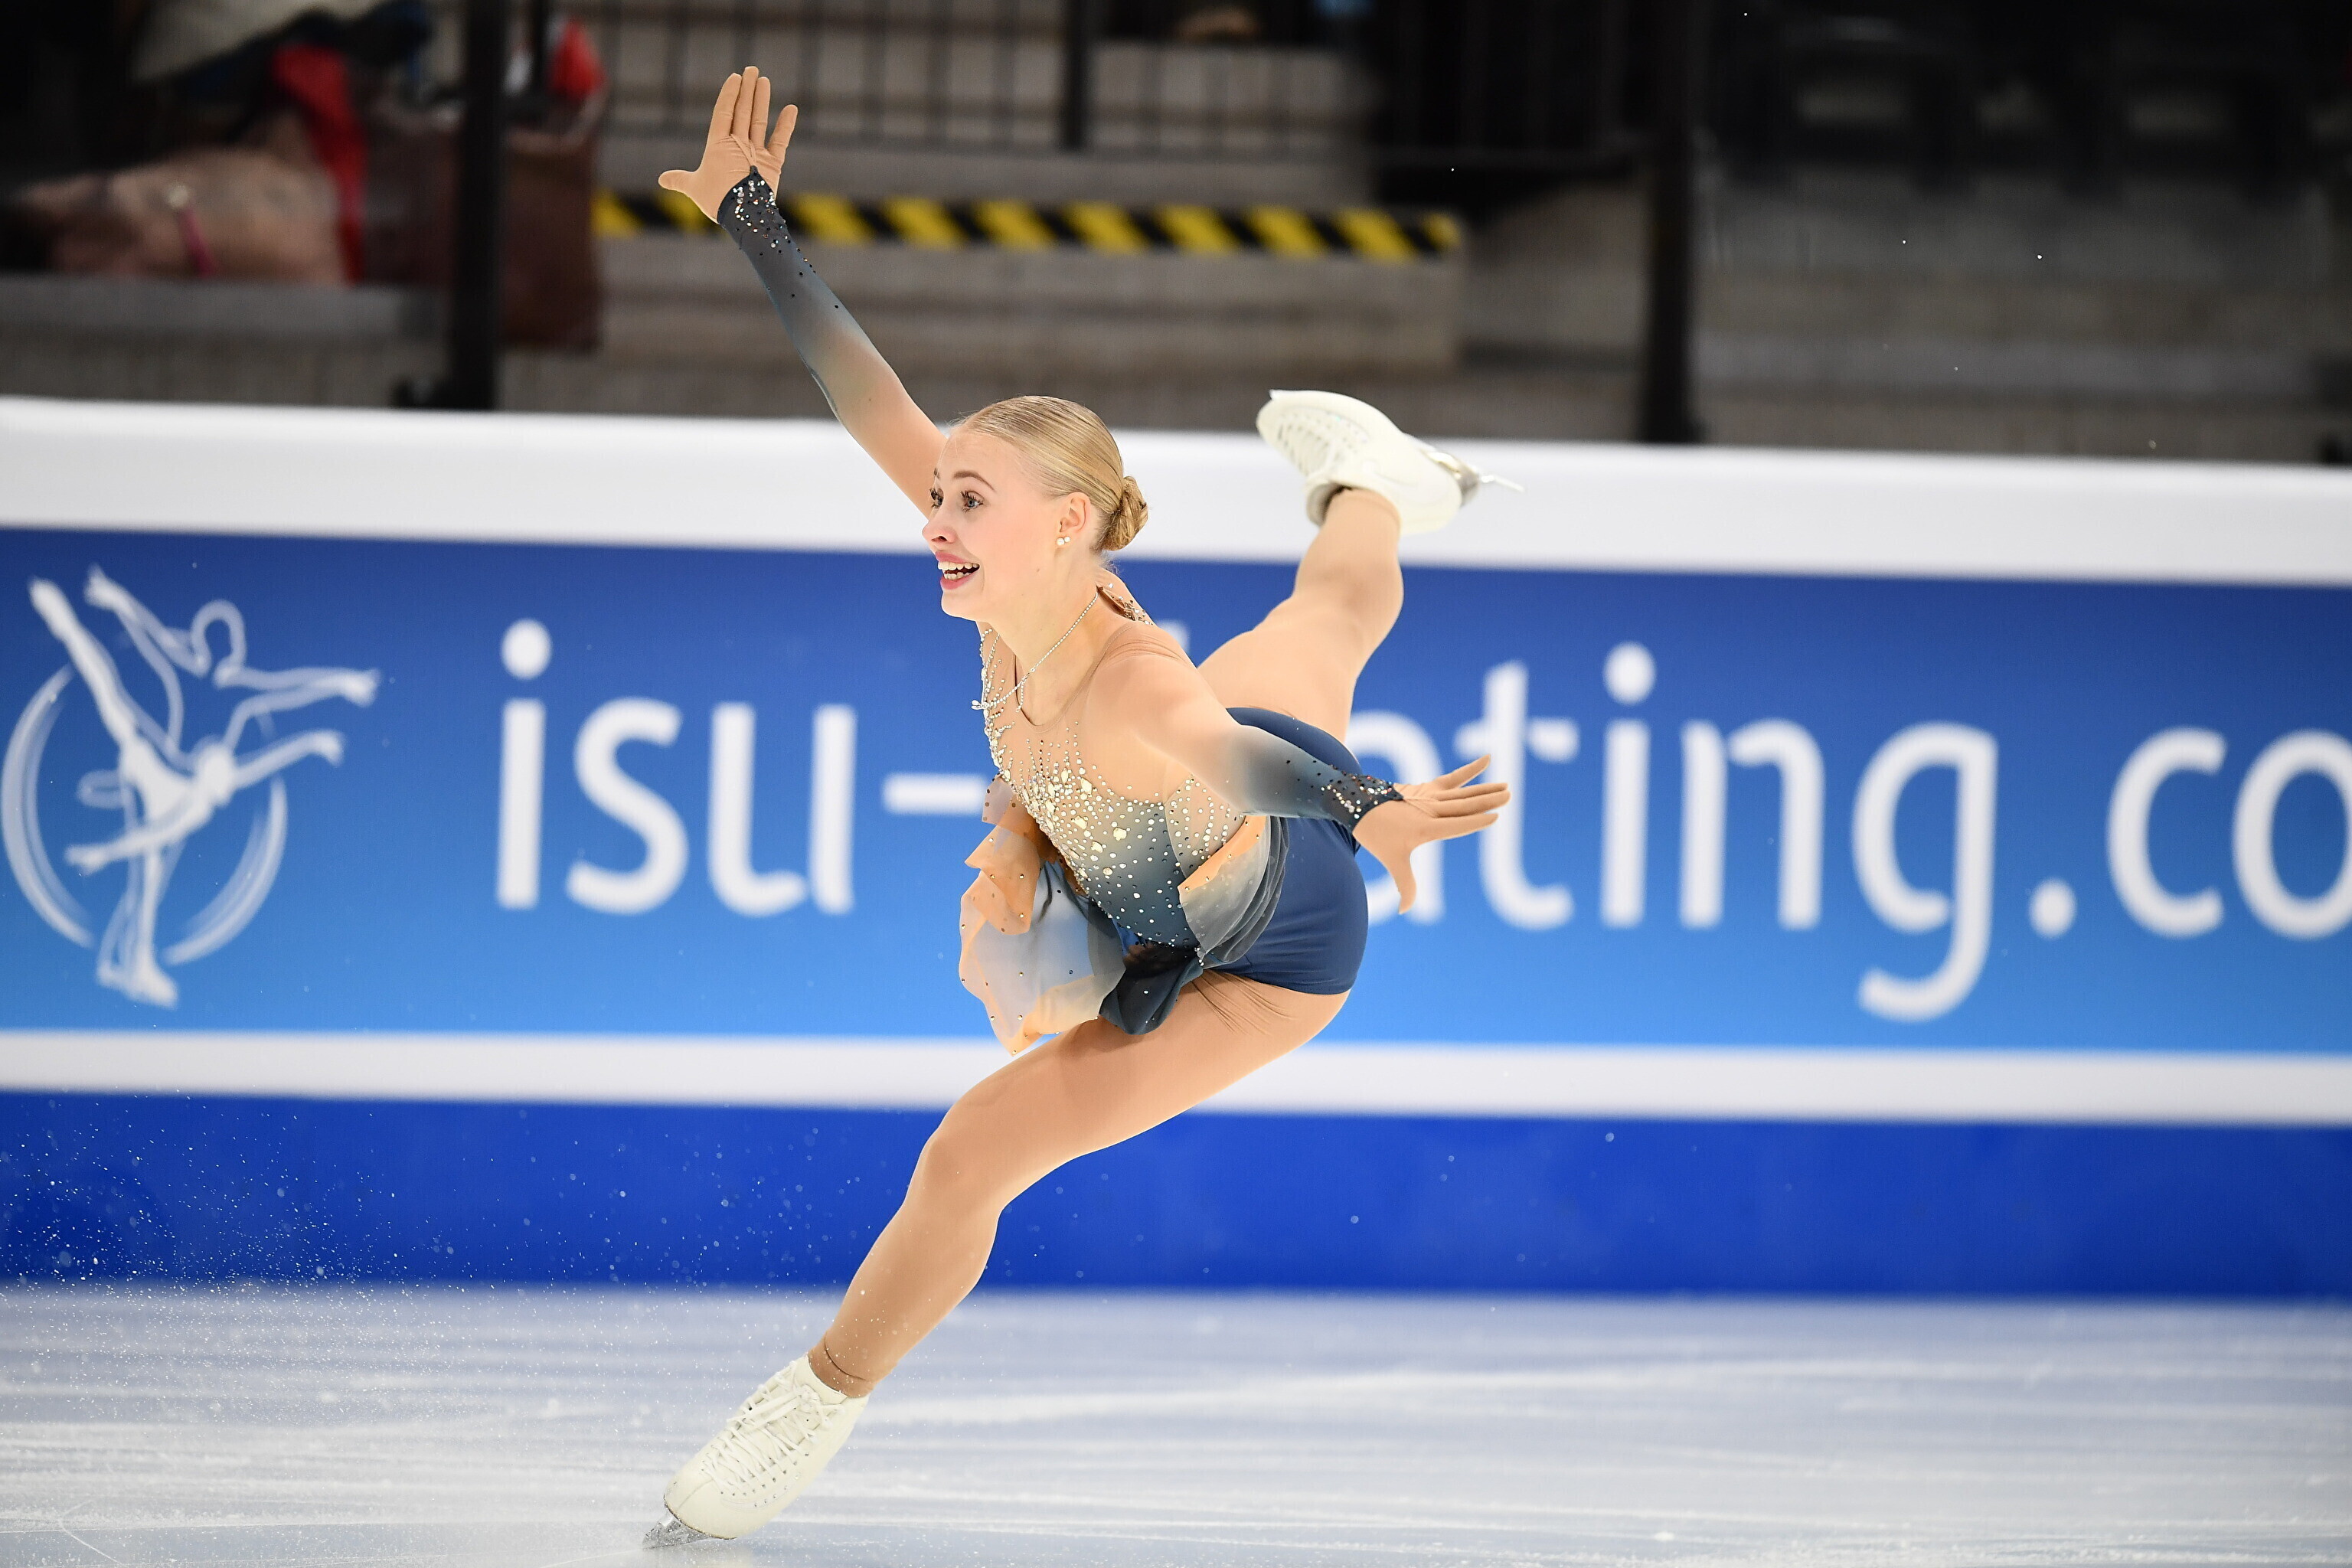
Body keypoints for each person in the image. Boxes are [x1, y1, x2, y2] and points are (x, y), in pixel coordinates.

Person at [643, 67, 1511, 1547]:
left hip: (1270, 951)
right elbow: (868, 396)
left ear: (1064, 528)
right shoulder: (1012, 578)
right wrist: (753, 224)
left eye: (966, 502)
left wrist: (1362, 804)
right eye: (941, 496)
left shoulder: (1133, 690)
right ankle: (1375, 480)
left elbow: (1231, 756)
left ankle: (802, 1415)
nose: (935, 519)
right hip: (1192, 833)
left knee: (971, 1154)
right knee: (1326, 617)